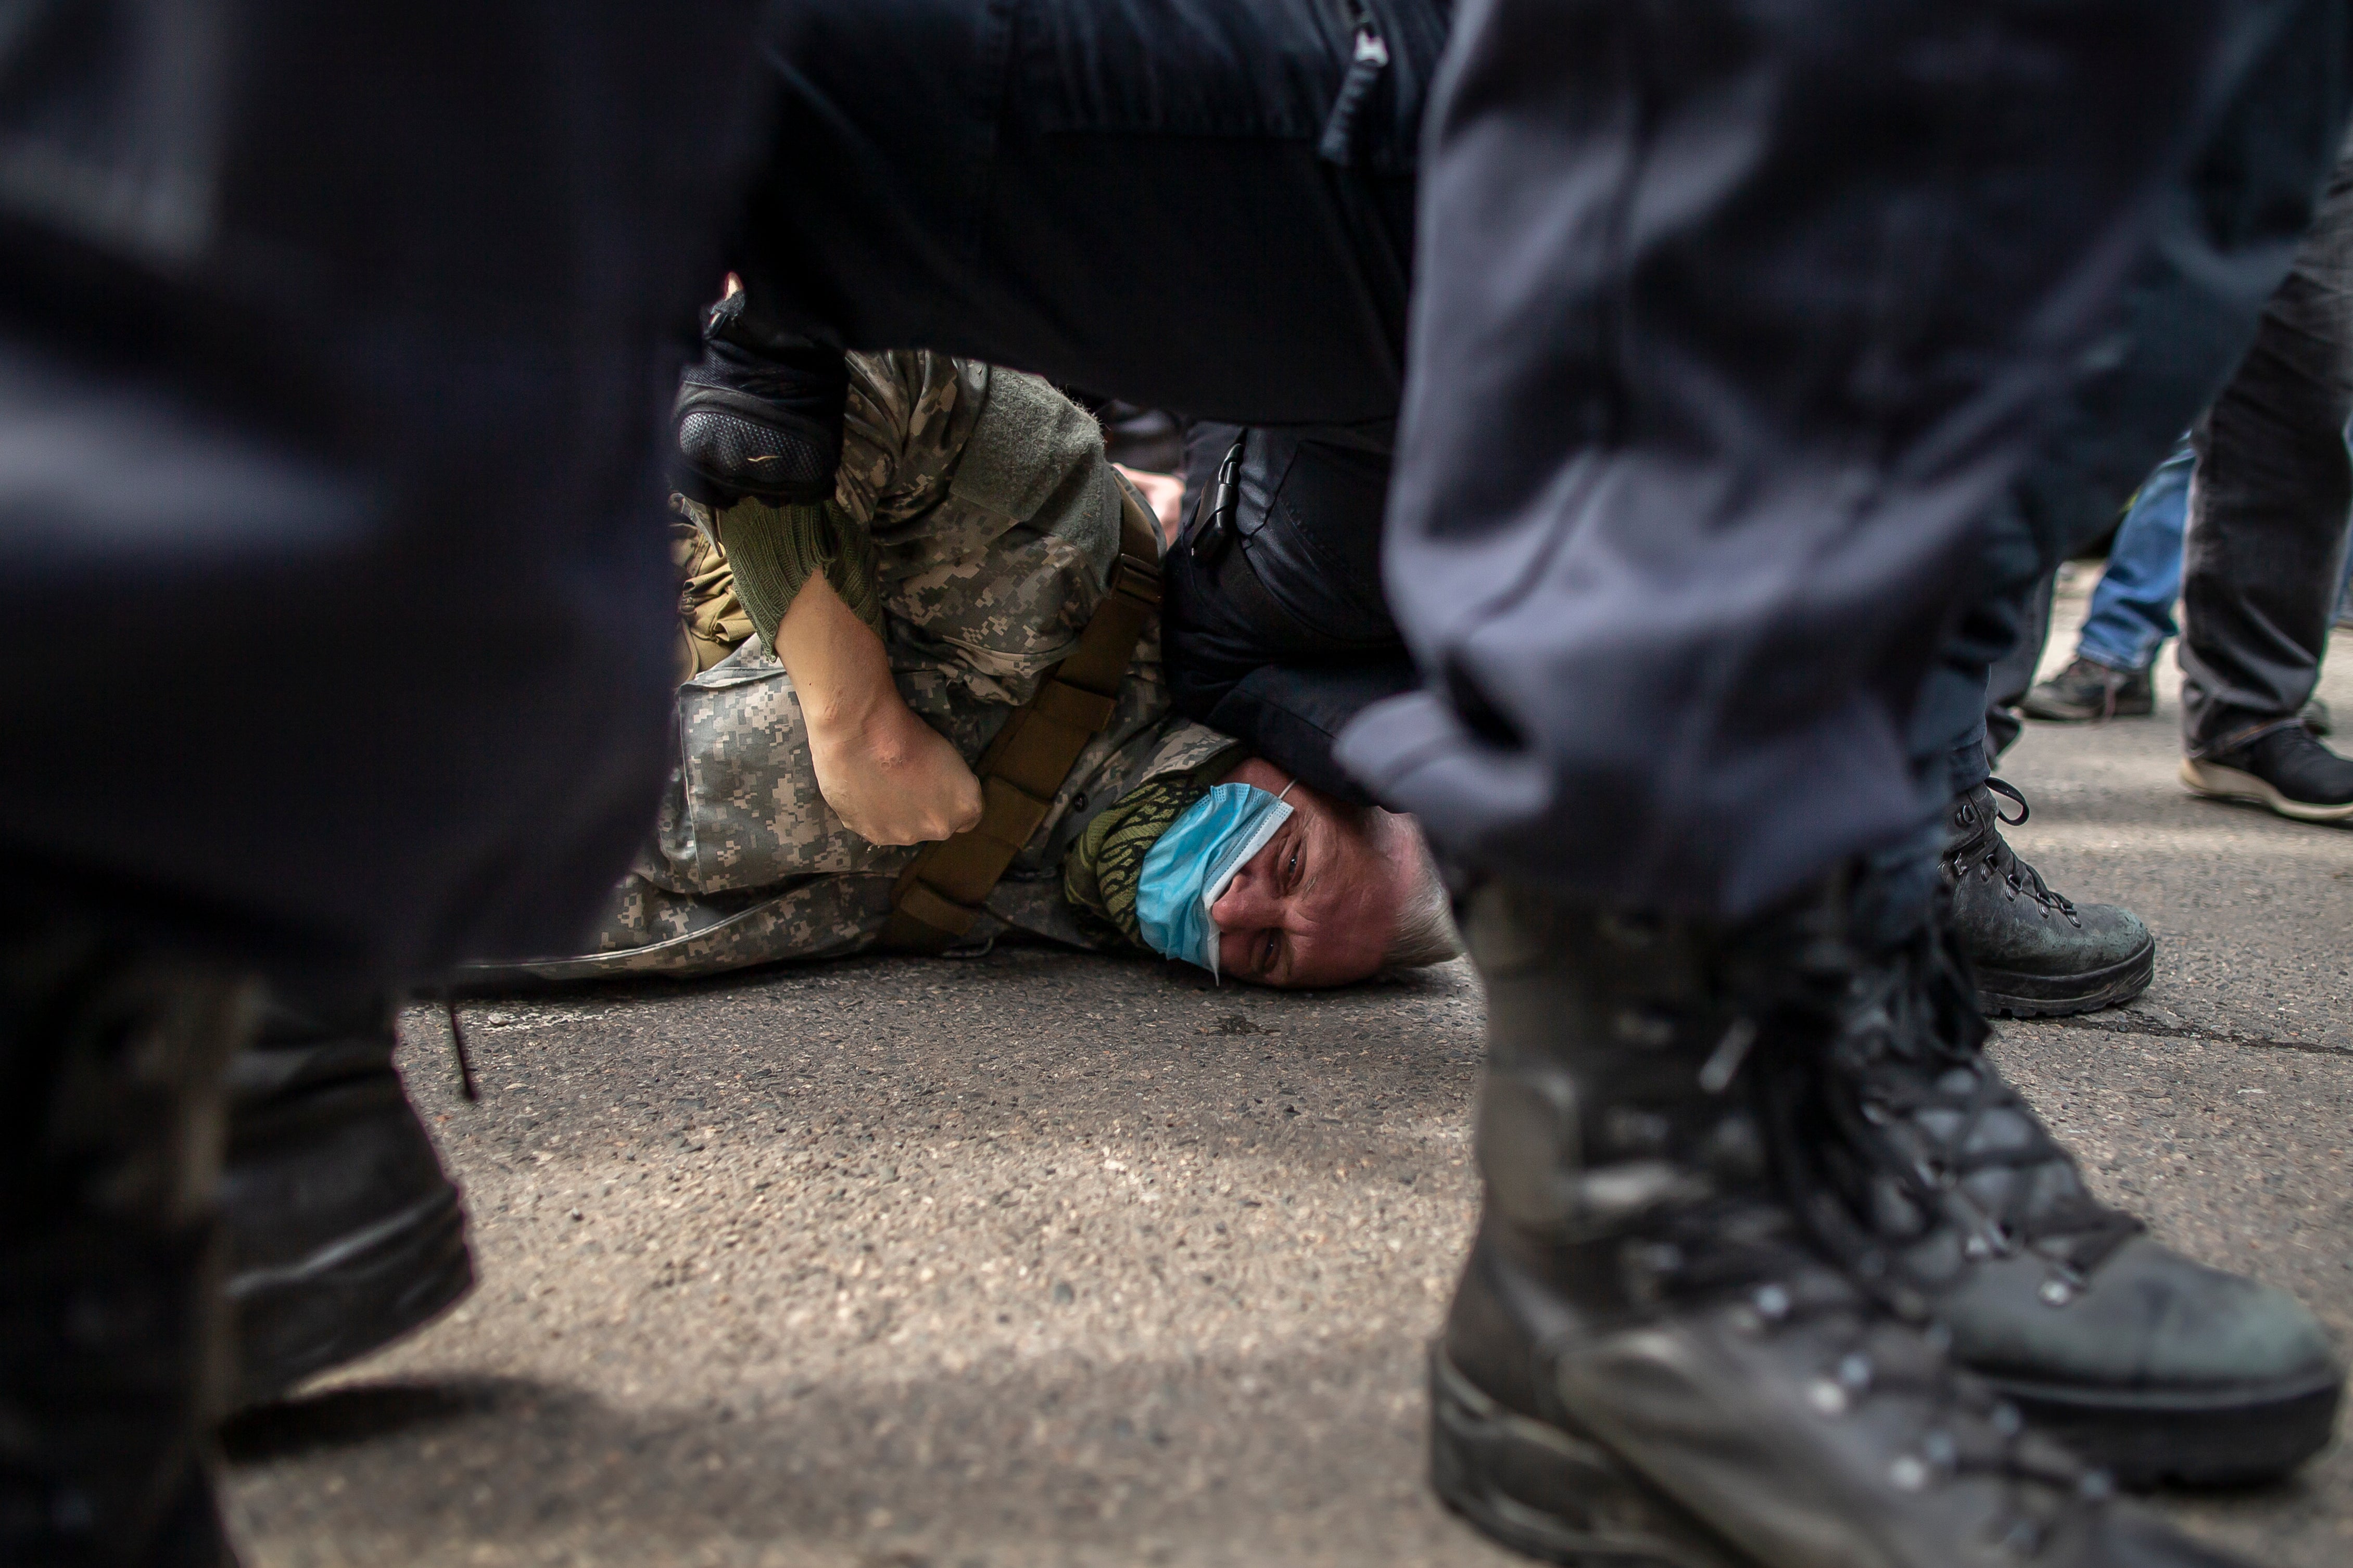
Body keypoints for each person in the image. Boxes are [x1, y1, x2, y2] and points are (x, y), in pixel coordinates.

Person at [508, 343, 1456, 989]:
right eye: (1288, 862)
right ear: (1299, 759)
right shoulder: (1079, 576)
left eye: (1264, 957)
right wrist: (854, 715)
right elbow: (828, 360)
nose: (1237, 902)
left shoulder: (1043, 915)